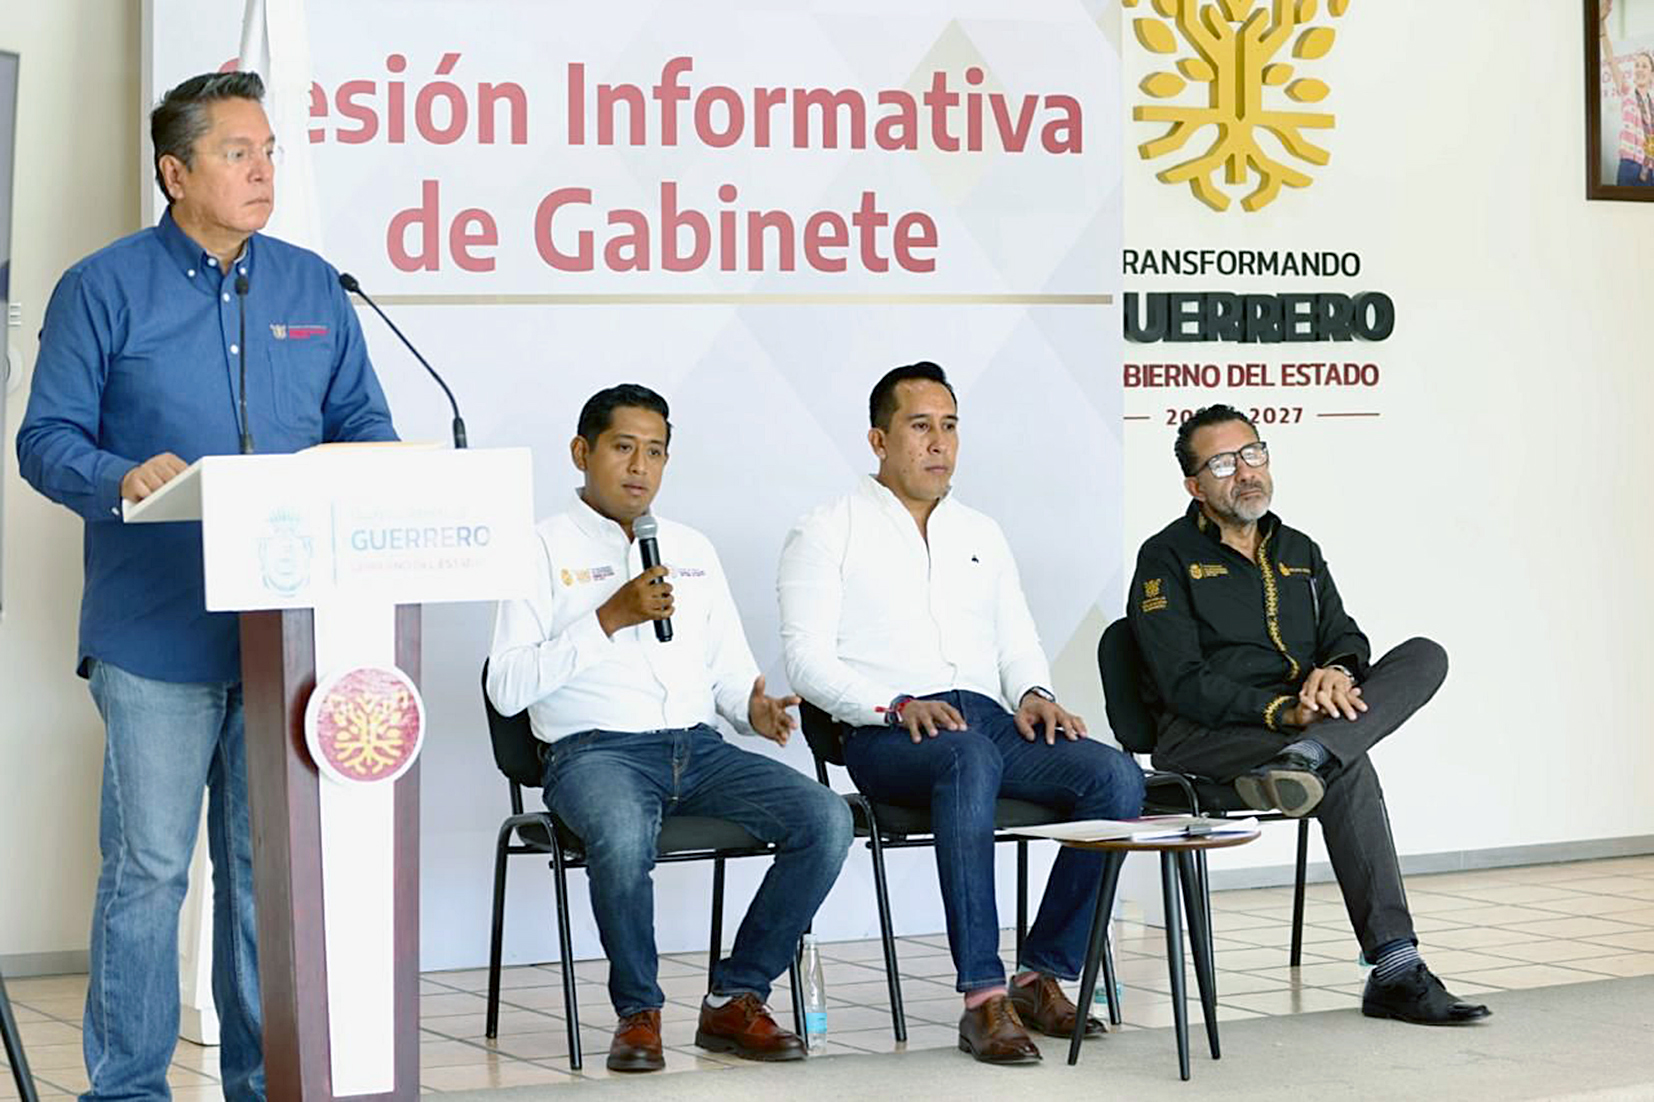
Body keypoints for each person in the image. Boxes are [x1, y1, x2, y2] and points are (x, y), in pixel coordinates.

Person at [15, 71, 398, 1100]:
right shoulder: (103, 286)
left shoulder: (314, 287)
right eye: (237, 152)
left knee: (265, 875)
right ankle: (127, 1089)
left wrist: (368, 467)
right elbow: (44, 439)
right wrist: (118, 475)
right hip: (156, 634)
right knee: (149, 873)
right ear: (176, 173)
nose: (263, 169)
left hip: (293, 639)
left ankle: (261, 1083)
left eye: (269, 150)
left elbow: (365, 426)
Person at [777, 361, 1146, 1065]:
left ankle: (1039, 976)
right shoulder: (826, 529)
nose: (938, 442)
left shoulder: (980, 530)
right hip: (887, 730)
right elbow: (806, 663)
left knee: (1115, 778)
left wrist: (1034, 692)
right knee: (968, 756)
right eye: (920, 426)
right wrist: (893, 706)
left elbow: (1016, 639)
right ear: (878, 440)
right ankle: (983, 998)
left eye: (949, 426)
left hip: (986, 719)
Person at [486, 384, 852, 1073]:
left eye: (654, 452)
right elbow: (505, 687)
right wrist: (609, 618)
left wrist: (752, 710)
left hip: (699, 749)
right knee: (624, 833)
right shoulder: (538, 548)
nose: (639, 467)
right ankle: (639, 1014)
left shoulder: (690, 547)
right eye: (623, 447)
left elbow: (728, 673)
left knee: (827, 818)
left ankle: (736, 997)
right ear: (581, 452)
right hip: (594, 755)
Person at [1128, 404, 1490, 1027]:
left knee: (1425, 655)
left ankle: (1312, 757)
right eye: (1223, 463)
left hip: (1306, 728)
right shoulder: (1166, 557)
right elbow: (1181, 682)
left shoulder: (1298, 549)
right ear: (1194, 485)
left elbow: (1343, 635)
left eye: (1253, 453)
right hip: (1207, 737)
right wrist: (1284, 712)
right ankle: (1396, 969)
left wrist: (1338, 673)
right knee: (1348, 765)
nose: (1246, 472)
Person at [1600, 0, 1654, 186]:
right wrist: (1601, 24)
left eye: (1644, 66)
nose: (1639, 69)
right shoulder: (1627, 90)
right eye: (1637, 65)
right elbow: (1610, 58)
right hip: (1628, 167)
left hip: (1651, 172)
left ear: (1651, 74)